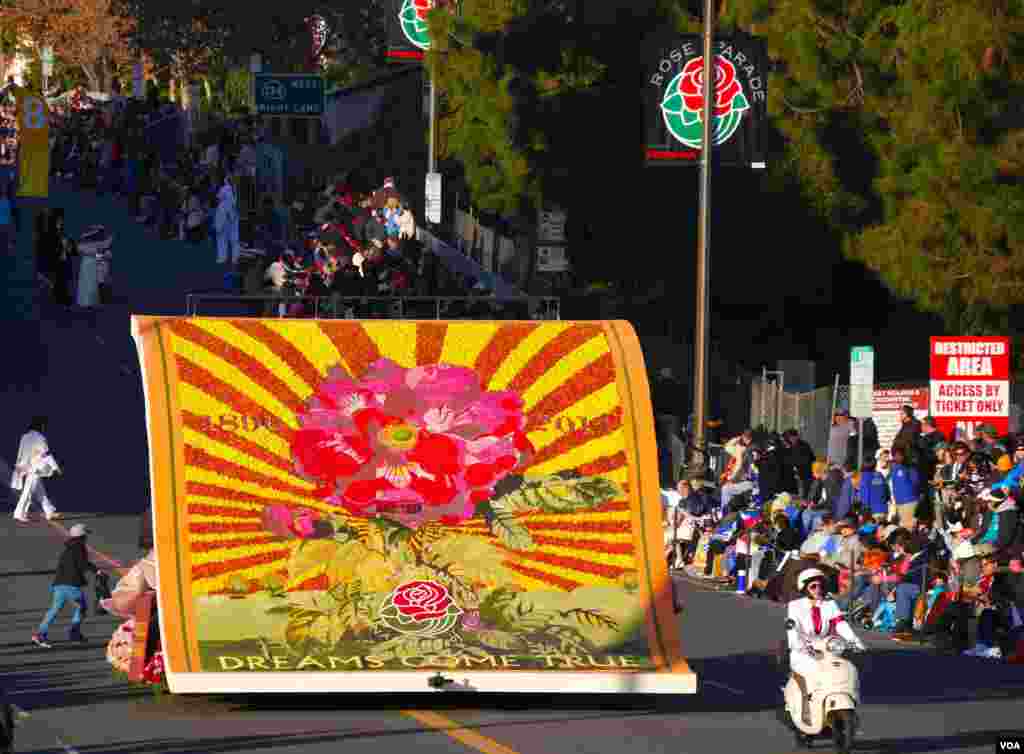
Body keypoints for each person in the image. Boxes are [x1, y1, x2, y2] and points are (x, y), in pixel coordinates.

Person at [786, 568, 866, 724]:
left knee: (844, 669)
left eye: (820, 586)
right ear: (804, 588)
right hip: (803, 651)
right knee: (813, 671)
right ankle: (807, 710)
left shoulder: (829, 605)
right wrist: (799, 646)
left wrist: (855, 641)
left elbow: (840, 624)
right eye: (813, 586)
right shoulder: (795, 606)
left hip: (828, 650)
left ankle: (848, 703)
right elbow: (792, 630)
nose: (818, 590)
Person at [32, 524, 115, 647]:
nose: (86, 537)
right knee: (81, 608)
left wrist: (94, 570)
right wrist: (97, 571)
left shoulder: (69, 547)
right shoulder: (79, 547)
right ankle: (73, 633)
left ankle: (40, 634)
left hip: (59, 583)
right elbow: (83, 563)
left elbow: (79, 563)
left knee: (54, 610)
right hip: (70, 585)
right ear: (81, 536)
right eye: (85, 535)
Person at [11, 416, 61, 522]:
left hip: (25, 467)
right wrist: (55, 467)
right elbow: (45, 454)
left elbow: (20, 453)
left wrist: (18, 468)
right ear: (41, 426)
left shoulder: (24, 437)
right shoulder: (40, 438)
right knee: (28, 491)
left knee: (40, 491)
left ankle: (49, 511)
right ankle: (19, 513)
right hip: (35, 468)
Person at [719, 429, 755, 515]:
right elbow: (727, 447)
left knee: (726, 489)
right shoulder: (743, 448)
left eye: (747, 437)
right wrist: (739, 438)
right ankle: (726, 511)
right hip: (743, 480)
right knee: (725, 488)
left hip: (750, 482)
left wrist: (731, 479)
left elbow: (739, 466)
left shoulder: (746, 449)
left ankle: (725, 513)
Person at [890, 447, 921, 528]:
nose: (897, 457)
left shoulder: (910, 468)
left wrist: (914, 496)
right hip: (899, 503)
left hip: (909, 501)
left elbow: (916, 483)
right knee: (903, 526)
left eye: (899, 455)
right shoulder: (893, 469)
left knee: (909, 527)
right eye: (895, 455)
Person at [782, 428, 815, 498]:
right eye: (789, 437)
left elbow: (810, 459)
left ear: (796, 436)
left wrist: (795, 465)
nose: (791, 439)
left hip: (805, 474)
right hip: (798, 474)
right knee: (799, 493)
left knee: (805, 493)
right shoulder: (791, 446)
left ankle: (803, 504)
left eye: (792, 437)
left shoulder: (804, 446)